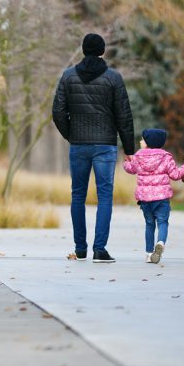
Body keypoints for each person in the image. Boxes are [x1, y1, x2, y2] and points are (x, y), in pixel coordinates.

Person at [52, 33, 135, 263]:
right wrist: (129, 148)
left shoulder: (68, 76)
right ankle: (100, 250)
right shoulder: (114, 78)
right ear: (102, 51)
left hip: (79, 145)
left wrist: (72, 135)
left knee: (77, 195)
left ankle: (80, 249)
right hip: (105, 145)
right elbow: (124, 116)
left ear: (83, 50)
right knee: (105, 196)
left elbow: (58, 111)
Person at [122, 129, 184, 264]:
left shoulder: (138, 156)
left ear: (148, 142)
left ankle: (148, 253)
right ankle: (161, 242)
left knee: (149, 224)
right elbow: (175, 175)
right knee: (162, 222)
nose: (141, 141)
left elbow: (131, 169)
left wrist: (126, 162)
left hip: (145, 199)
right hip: (162, 198)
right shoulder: (166, 156)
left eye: (143, 139)